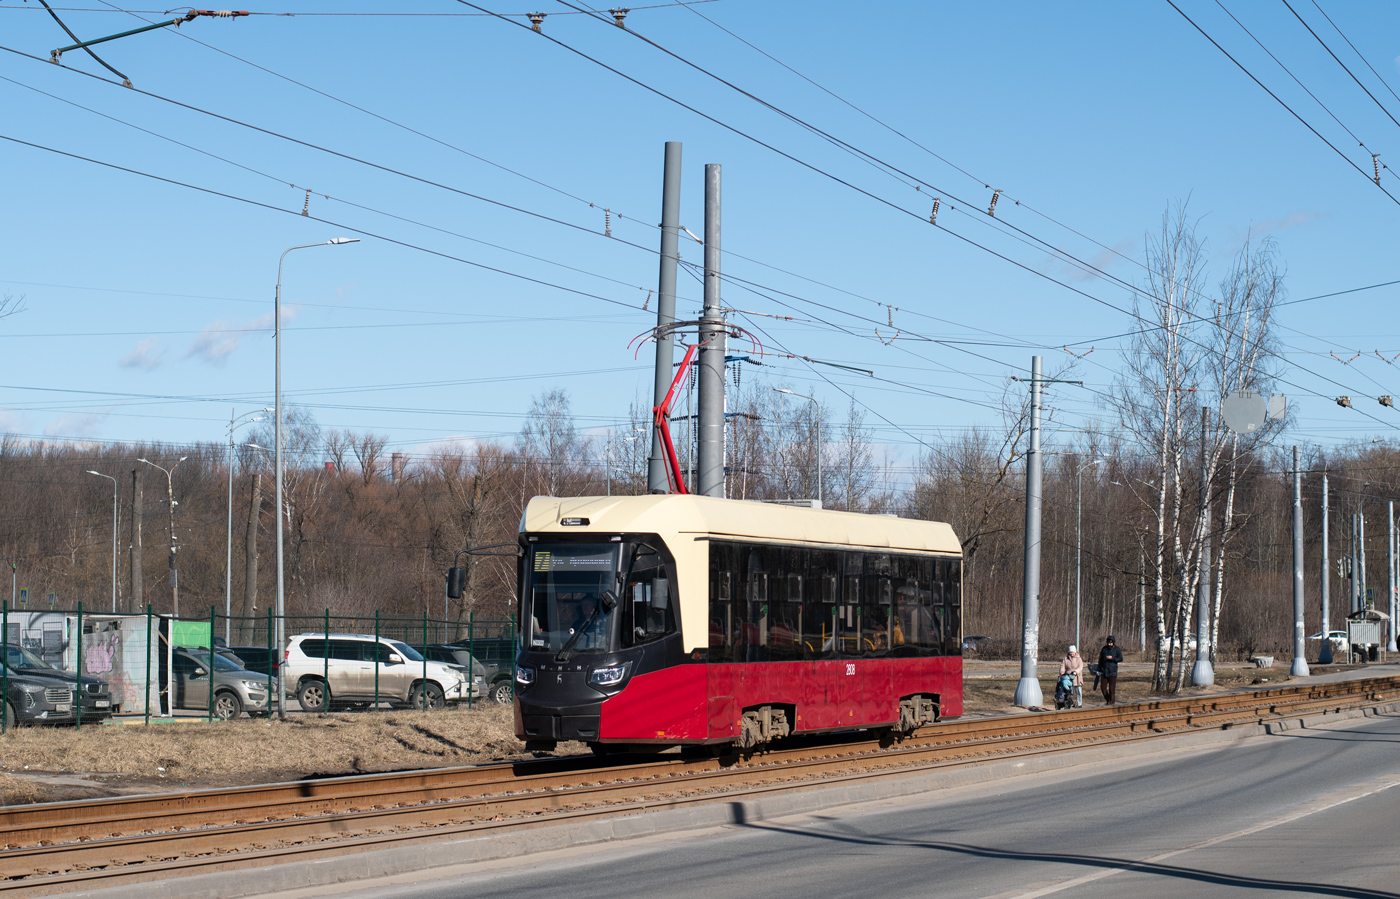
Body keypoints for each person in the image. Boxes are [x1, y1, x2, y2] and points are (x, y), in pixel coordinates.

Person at [1097, 635, 1123, 704]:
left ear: (1113, 643)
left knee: (1112, 689)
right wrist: (1098, 670)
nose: (1109, 644)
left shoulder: (1117, 649)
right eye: (1108, 642)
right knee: (1103, 688)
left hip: (1112, 672)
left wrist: (1112, 658)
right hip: (1104, 671)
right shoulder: (1104, 649)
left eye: (1111, 643)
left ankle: (1112, 702)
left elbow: (1120, 658)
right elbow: (1100, 660)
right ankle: (1108, 699)